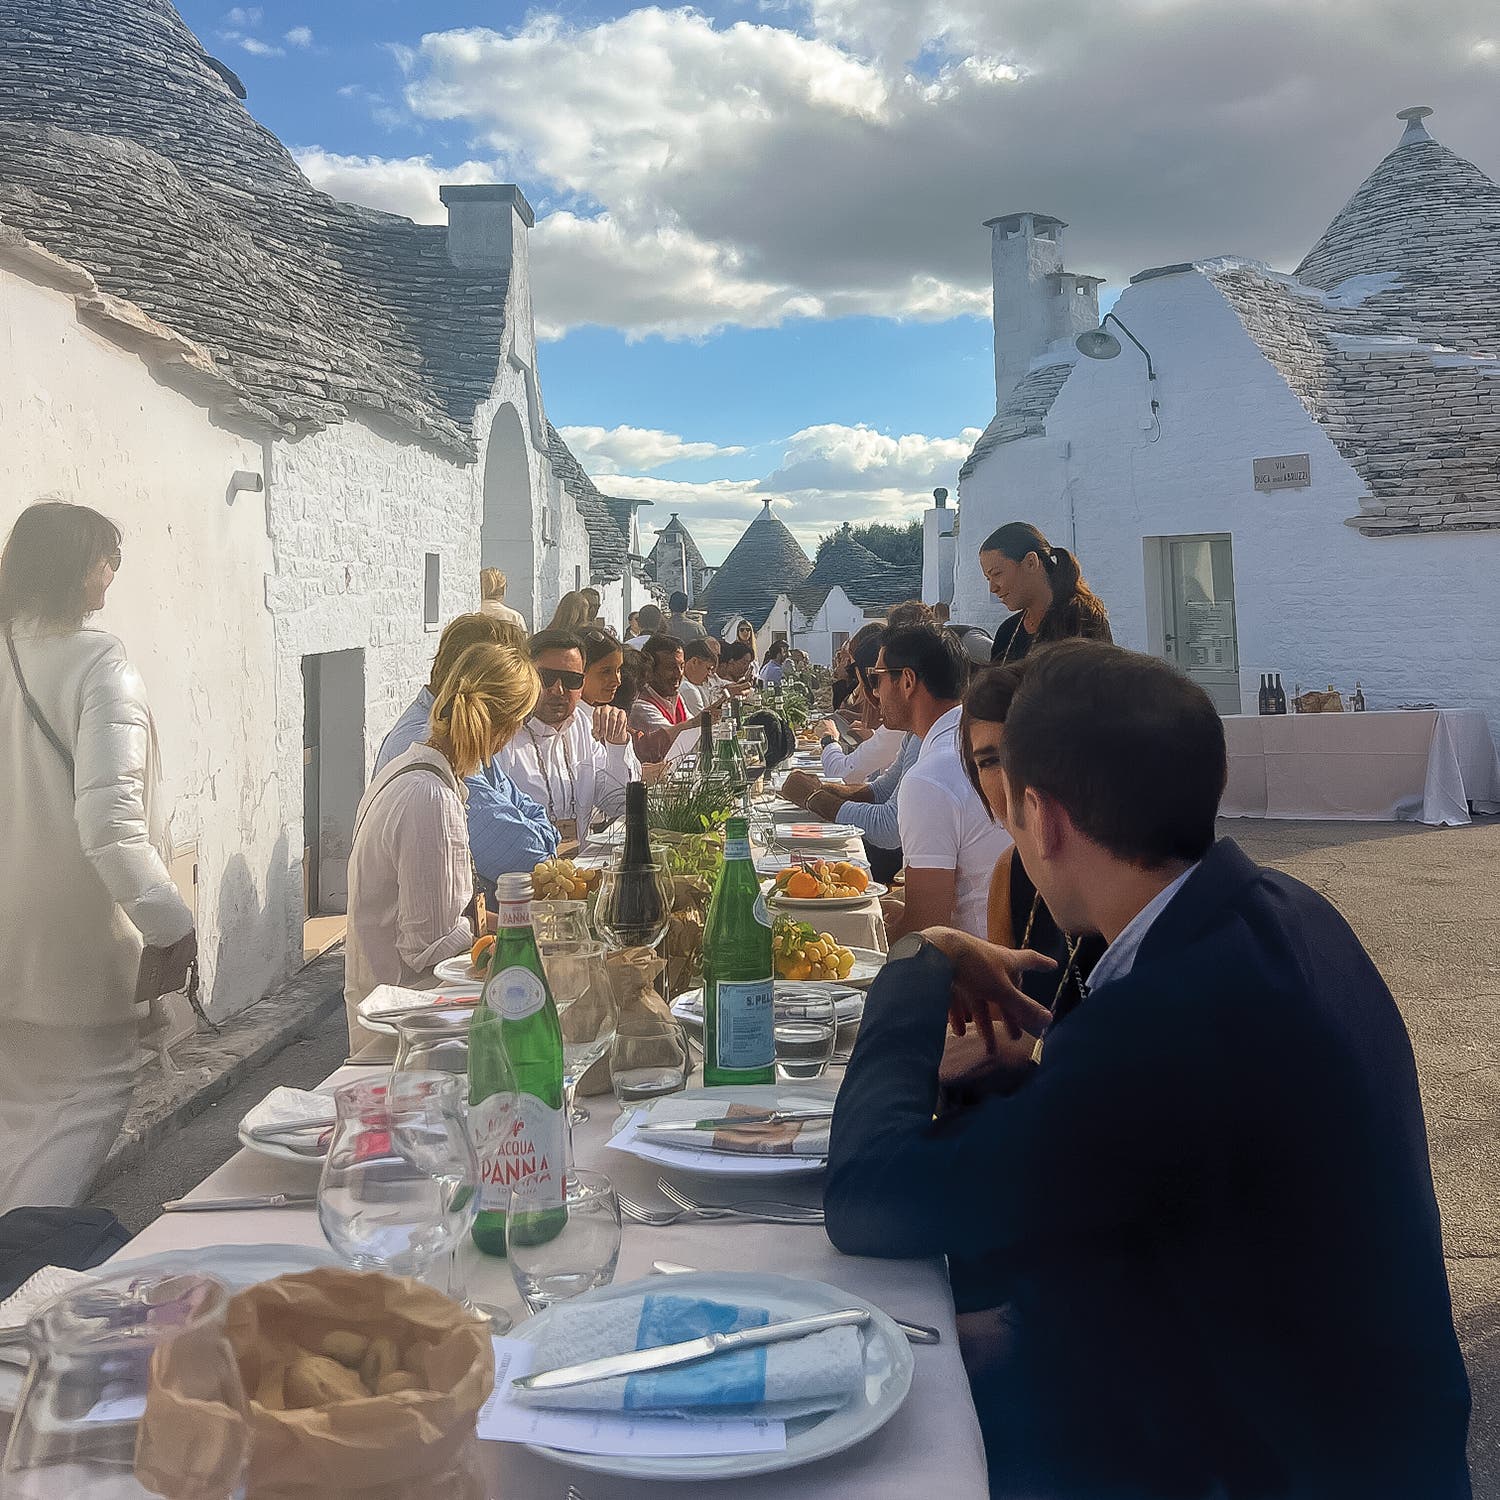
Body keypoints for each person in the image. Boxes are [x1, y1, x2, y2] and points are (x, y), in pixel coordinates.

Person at [826, 641, 1472, 1499]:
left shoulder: (1174, 1012)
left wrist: (917, 960)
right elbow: (1140, 1162)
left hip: (1264, 1463)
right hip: (1342, 1427)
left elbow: (870, 1198)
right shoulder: (1279, 913)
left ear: (1044, 820)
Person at [0, 501, 197, 1210]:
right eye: (107, 557)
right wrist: (171, 921)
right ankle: (21, 1283)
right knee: (78, 1115)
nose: (113, 571)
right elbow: (111, 823)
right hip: (69, 947)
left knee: (14, 1127)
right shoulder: (99, 664)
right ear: (79, 570)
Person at [346, 641, 539, 1051]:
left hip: (404, 1019)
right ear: (505, 729)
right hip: (411, 1034)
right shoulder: (429, 795)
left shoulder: (414, 770)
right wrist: (510, 930)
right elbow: (428, 950)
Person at [377, 613, 558, 891]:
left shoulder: (459, 740)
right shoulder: (430, 749)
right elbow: (527, 858)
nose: (518, 727)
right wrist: (544, 839)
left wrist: (543, 837)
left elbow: (529, 810)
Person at [868, 625, 1010, 940]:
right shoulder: (974, 740)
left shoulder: (928, 779)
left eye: (876, 678)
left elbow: (925, 930)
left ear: (906, 681)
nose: (874, 692)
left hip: (977, 971)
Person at [495, 628, 636, 845]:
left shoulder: (581, 724)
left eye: (571, 680)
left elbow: (618, 803)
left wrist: (617, 745)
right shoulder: (501, 737)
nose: (558, 689)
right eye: (547, 678)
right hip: (522, 873)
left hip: (577, 870)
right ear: (525, 676)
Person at [978, 521, 1111, 664]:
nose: (993, 588)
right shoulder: (1008, 631)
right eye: (988, 579)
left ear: (1031, 562)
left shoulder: (1081, 620)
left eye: (997, 574)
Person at [814, 624, 903, 782]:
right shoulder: (905, 730)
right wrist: (873, 738)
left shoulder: (899, 727)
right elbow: (881, 790)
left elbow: (841, 773)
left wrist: (829, 739)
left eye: (876, 679)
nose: (874, 692)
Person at [628, 635, 712, 763]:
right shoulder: (640, 707)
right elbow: (677, 745)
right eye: (670, 668)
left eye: (681, 666)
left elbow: (696, 736)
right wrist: (700, 722)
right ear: (650, 671)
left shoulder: (675, 697)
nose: (678, 674)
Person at [579, 626, 626, 710]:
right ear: (580, 670)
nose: (617, 681)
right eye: (606, 671)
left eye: (618, 670)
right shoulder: (570, 720)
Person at [678, 637, 718, 716]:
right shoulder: (687, 688)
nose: (709, 674)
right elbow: (703, 723)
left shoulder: (694, 686)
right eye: (708, 668)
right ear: (694, 662)